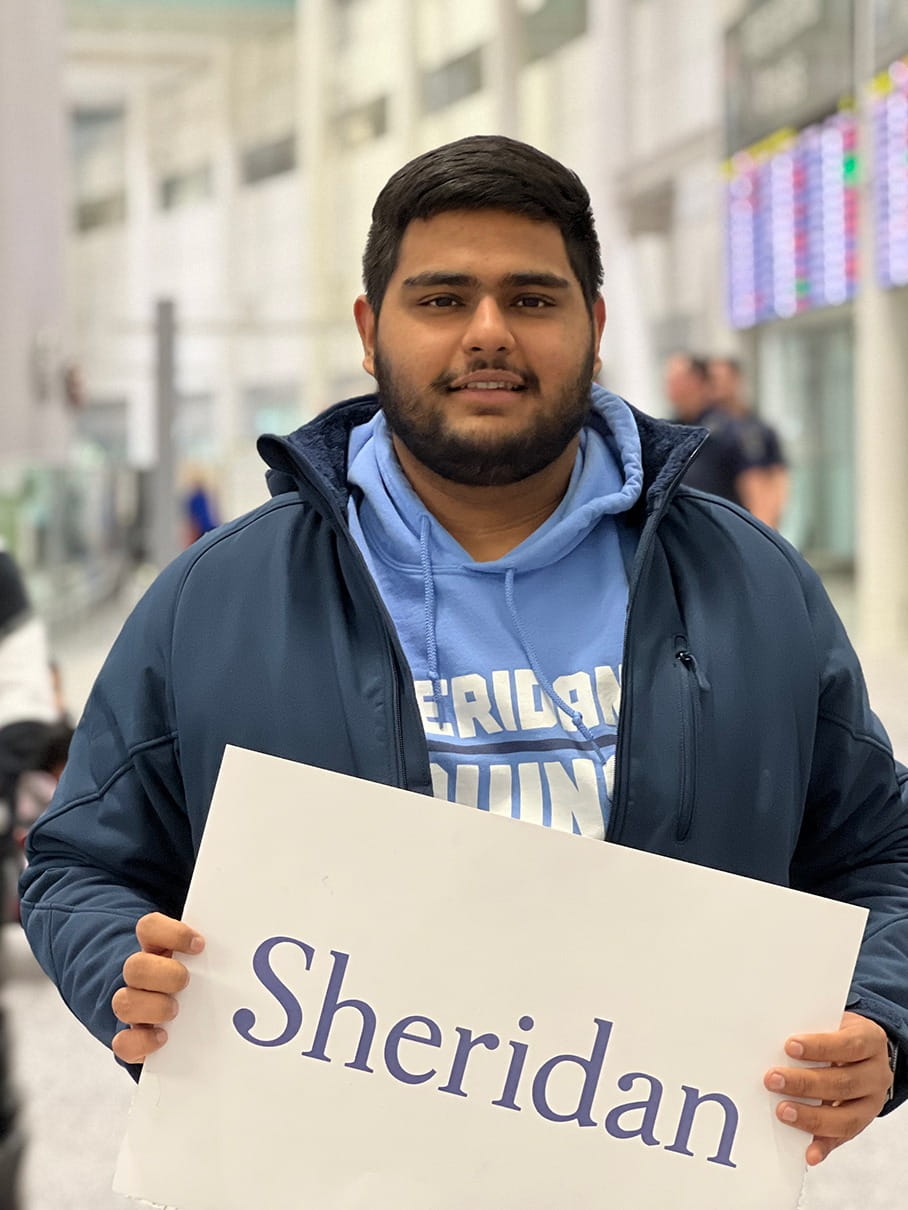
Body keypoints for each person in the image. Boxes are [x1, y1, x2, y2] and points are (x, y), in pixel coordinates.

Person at [20, 135, 908, 1172]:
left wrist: (880, 1020)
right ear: (368, 329)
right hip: (321, 1177)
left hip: (651, 1173)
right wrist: (118, 962)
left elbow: (879, 855)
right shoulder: (215, 598)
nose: (487, 332)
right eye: (441, 299)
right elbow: (80, 863)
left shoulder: (749, 587)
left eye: (530, 299)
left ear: (594, 325)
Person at [663, 351, 785, 528]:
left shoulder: (732, 430)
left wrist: (761, 542)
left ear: (698, 381)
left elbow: (760, 493)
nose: (670, 388)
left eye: (677, 380)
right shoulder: (670, 430)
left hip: (727, 534)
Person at [708, 354, 789, 528]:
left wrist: (767, 523)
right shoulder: (706, 427)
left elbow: (777, 474)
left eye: (720, 378)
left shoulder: (758, 428)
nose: (716, 385)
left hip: (747, 522)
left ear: (736, 379)